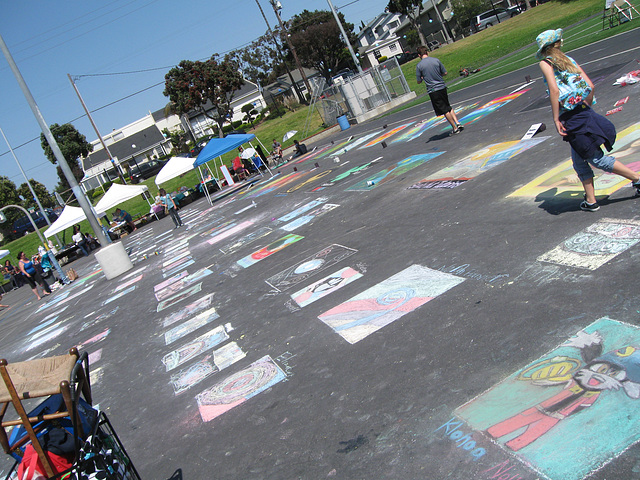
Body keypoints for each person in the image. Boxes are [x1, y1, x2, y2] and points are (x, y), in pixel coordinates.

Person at [537, 28, 640, 212]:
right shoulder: (568, 60)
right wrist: (585, 106)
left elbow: (554, 91)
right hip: (583, 111)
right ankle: (591, 201)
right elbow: (590, 85)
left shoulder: (546, 63)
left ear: (544, 48)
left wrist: (555, 118)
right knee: (579, 161)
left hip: (571, 117)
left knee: (596, 159)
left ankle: (637, 179)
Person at [415, 45, 463, 136]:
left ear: (419, 55)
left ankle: (455, 128)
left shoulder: (419, 65)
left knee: (444, 110)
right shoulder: (436, 60)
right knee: (448, 106)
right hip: (442, 86)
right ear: (427, 52)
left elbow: (418, 81)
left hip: (433, 90)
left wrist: (422, 77)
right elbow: (445, 72)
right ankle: (458, 122)